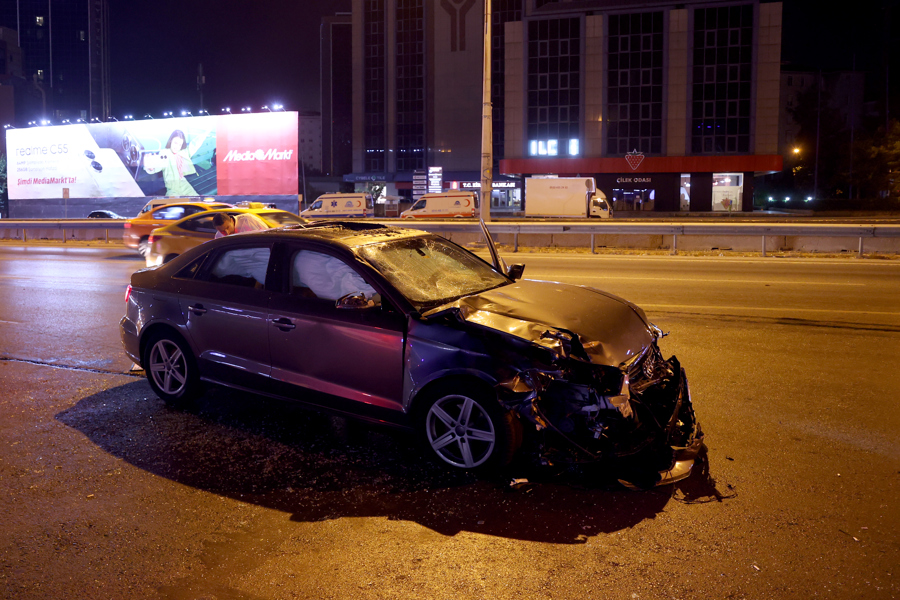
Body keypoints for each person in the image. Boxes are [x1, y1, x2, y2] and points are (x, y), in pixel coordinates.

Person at [142, 130, 199, 197]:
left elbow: (194, 146)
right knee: (173, 205)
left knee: (197, 200)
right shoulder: (165, 153)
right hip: (172, 189)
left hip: (185, 186)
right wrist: (150, 166)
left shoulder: (182, 153)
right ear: (171, 140)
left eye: (180, 144)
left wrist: (206, 132)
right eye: (175, 143)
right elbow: (158, 166)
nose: (177, 146)